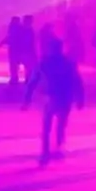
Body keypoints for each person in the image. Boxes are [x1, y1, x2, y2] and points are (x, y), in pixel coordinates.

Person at [23, 37, 86, 166]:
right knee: (61, 124)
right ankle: (58, 148)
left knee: (46, 127)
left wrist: (27, 100)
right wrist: (80, 99)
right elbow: (77, 82)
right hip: (64, 97)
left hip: (49, 98)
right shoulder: (68, 63)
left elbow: (32, 83)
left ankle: (45, 154)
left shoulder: (43, 63)